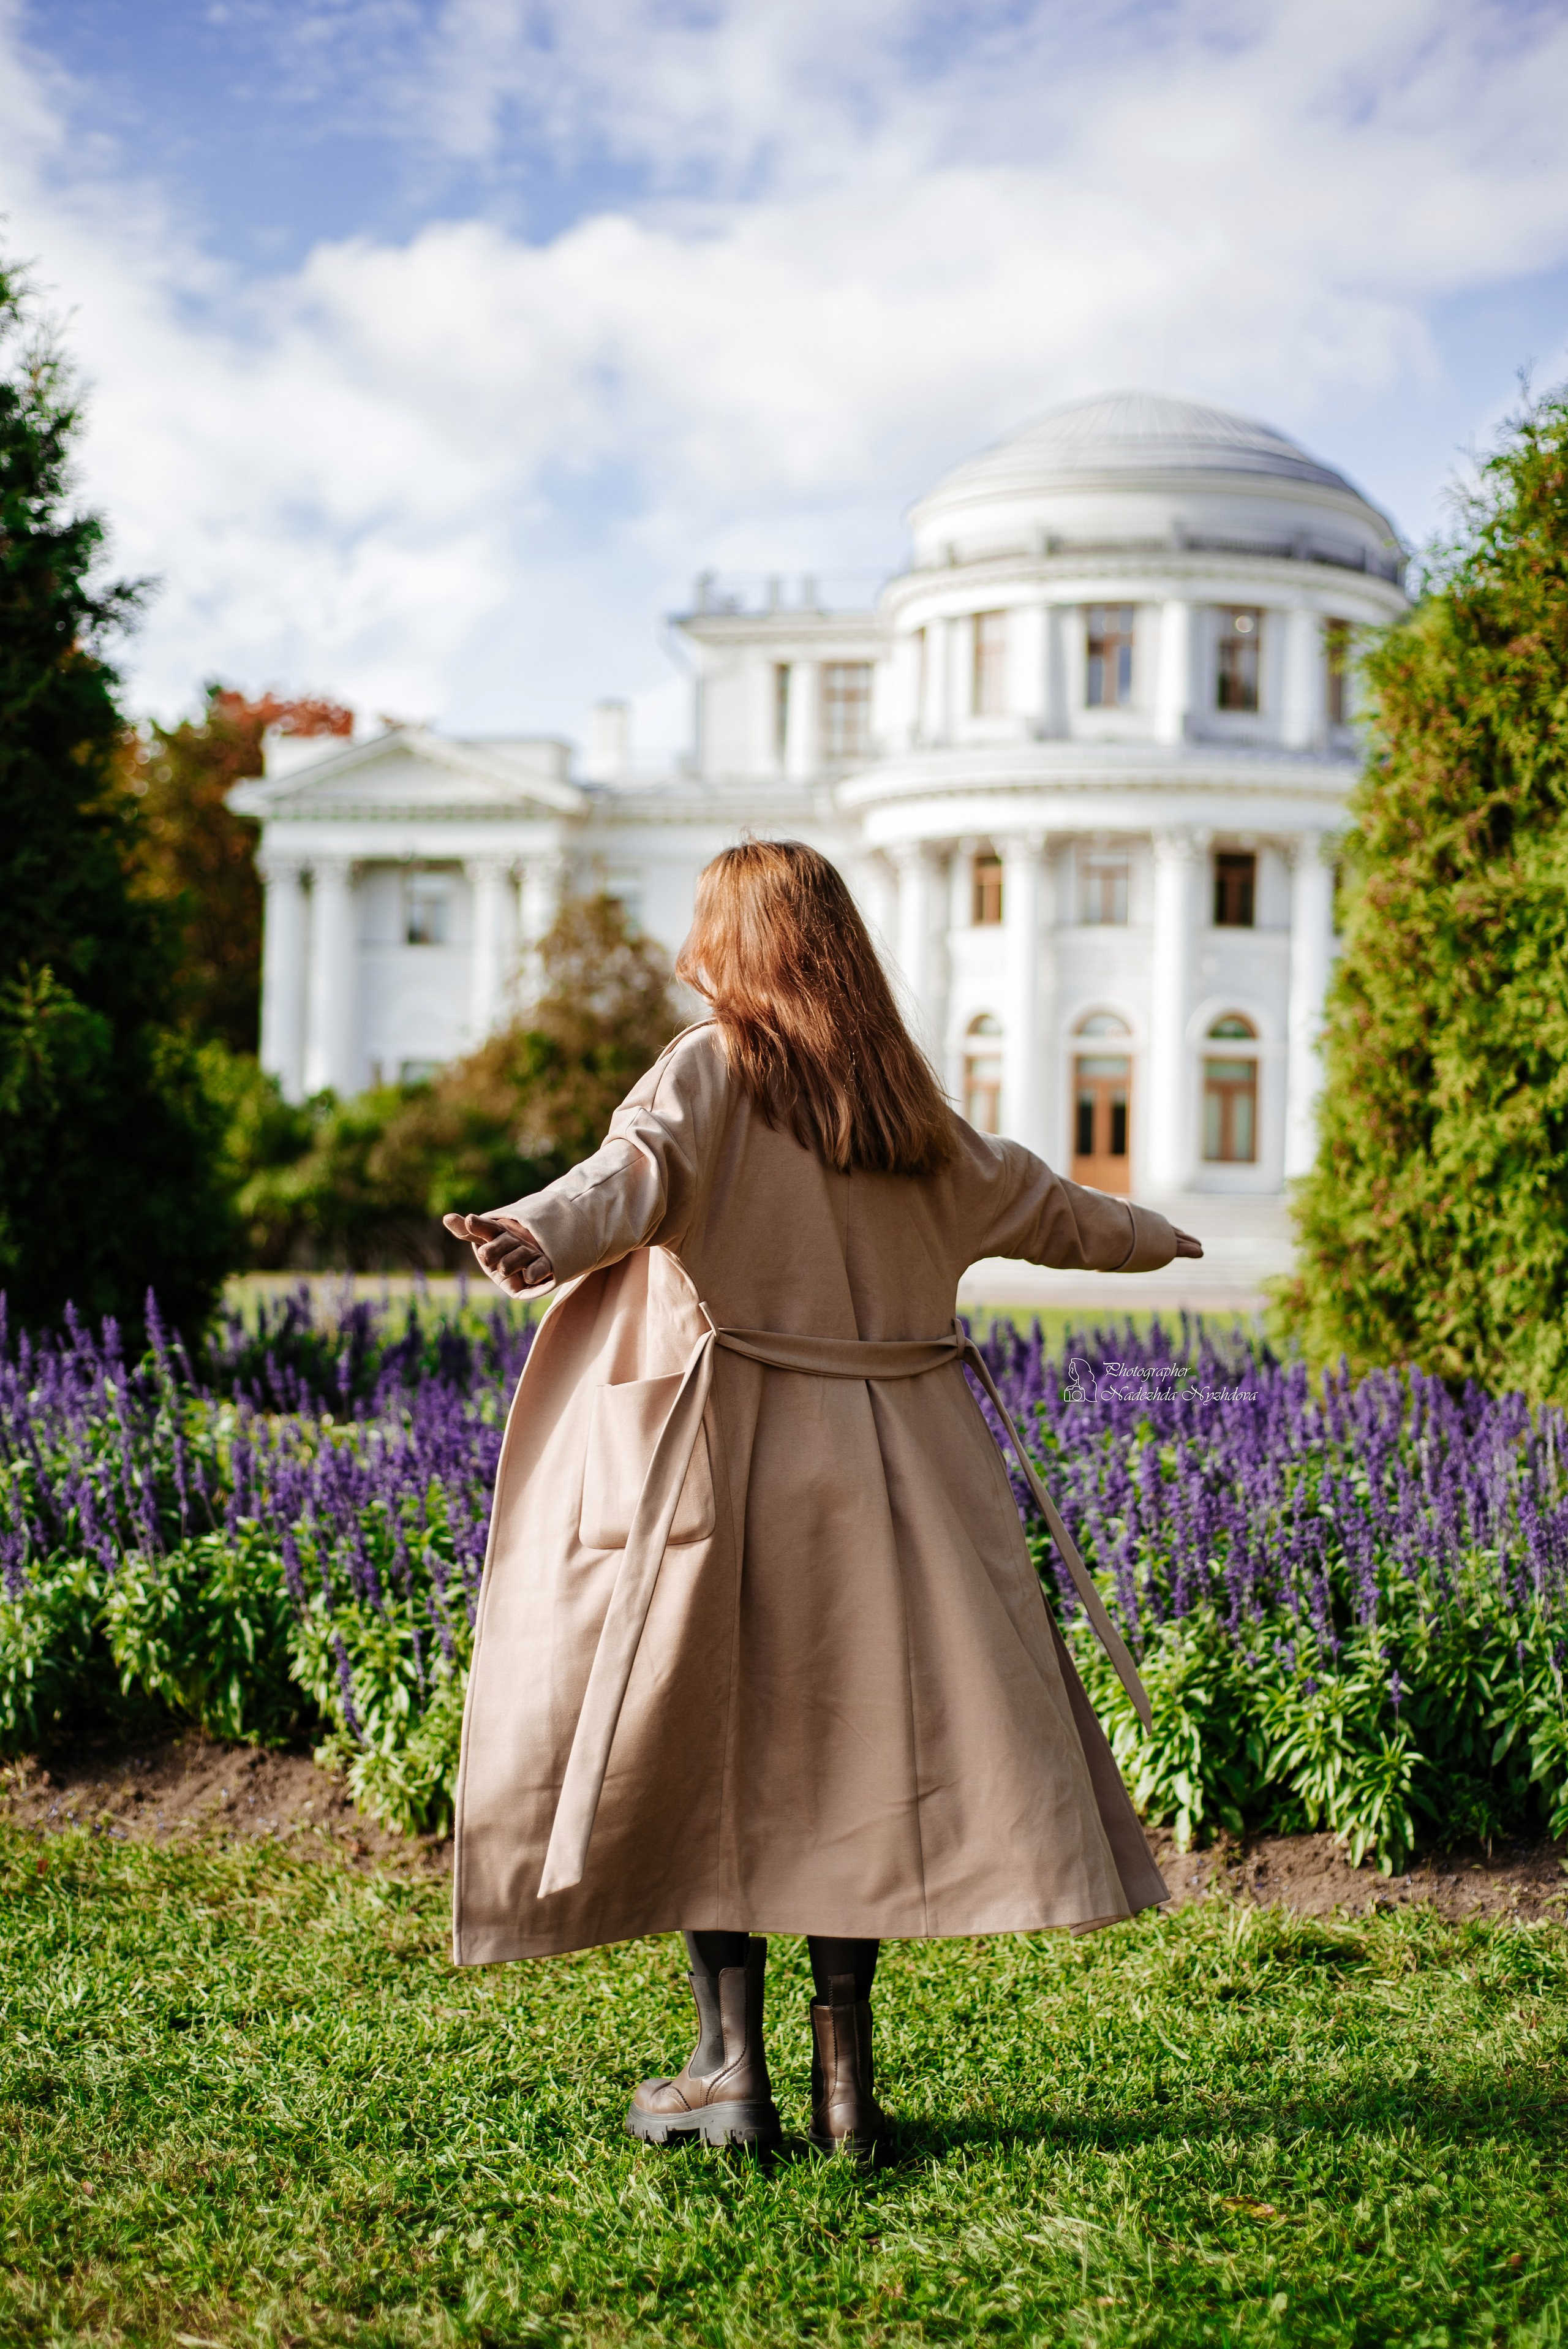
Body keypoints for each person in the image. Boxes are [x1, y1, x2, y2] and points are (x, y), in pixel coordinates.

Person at [444, 839, 1202, 2160]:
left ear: (733, 941)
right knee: (850, 1764)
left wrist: (534, 1230)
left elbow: (631, 1176)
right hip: (893, 1481)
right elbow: (1043, 1204)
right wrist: (1154, 1237)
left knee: (709, 1757)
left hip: (722, 1466)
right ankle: (846, 2090)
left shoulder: (712, 1062)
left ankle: (727, 2073)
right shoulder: (901, 1103)